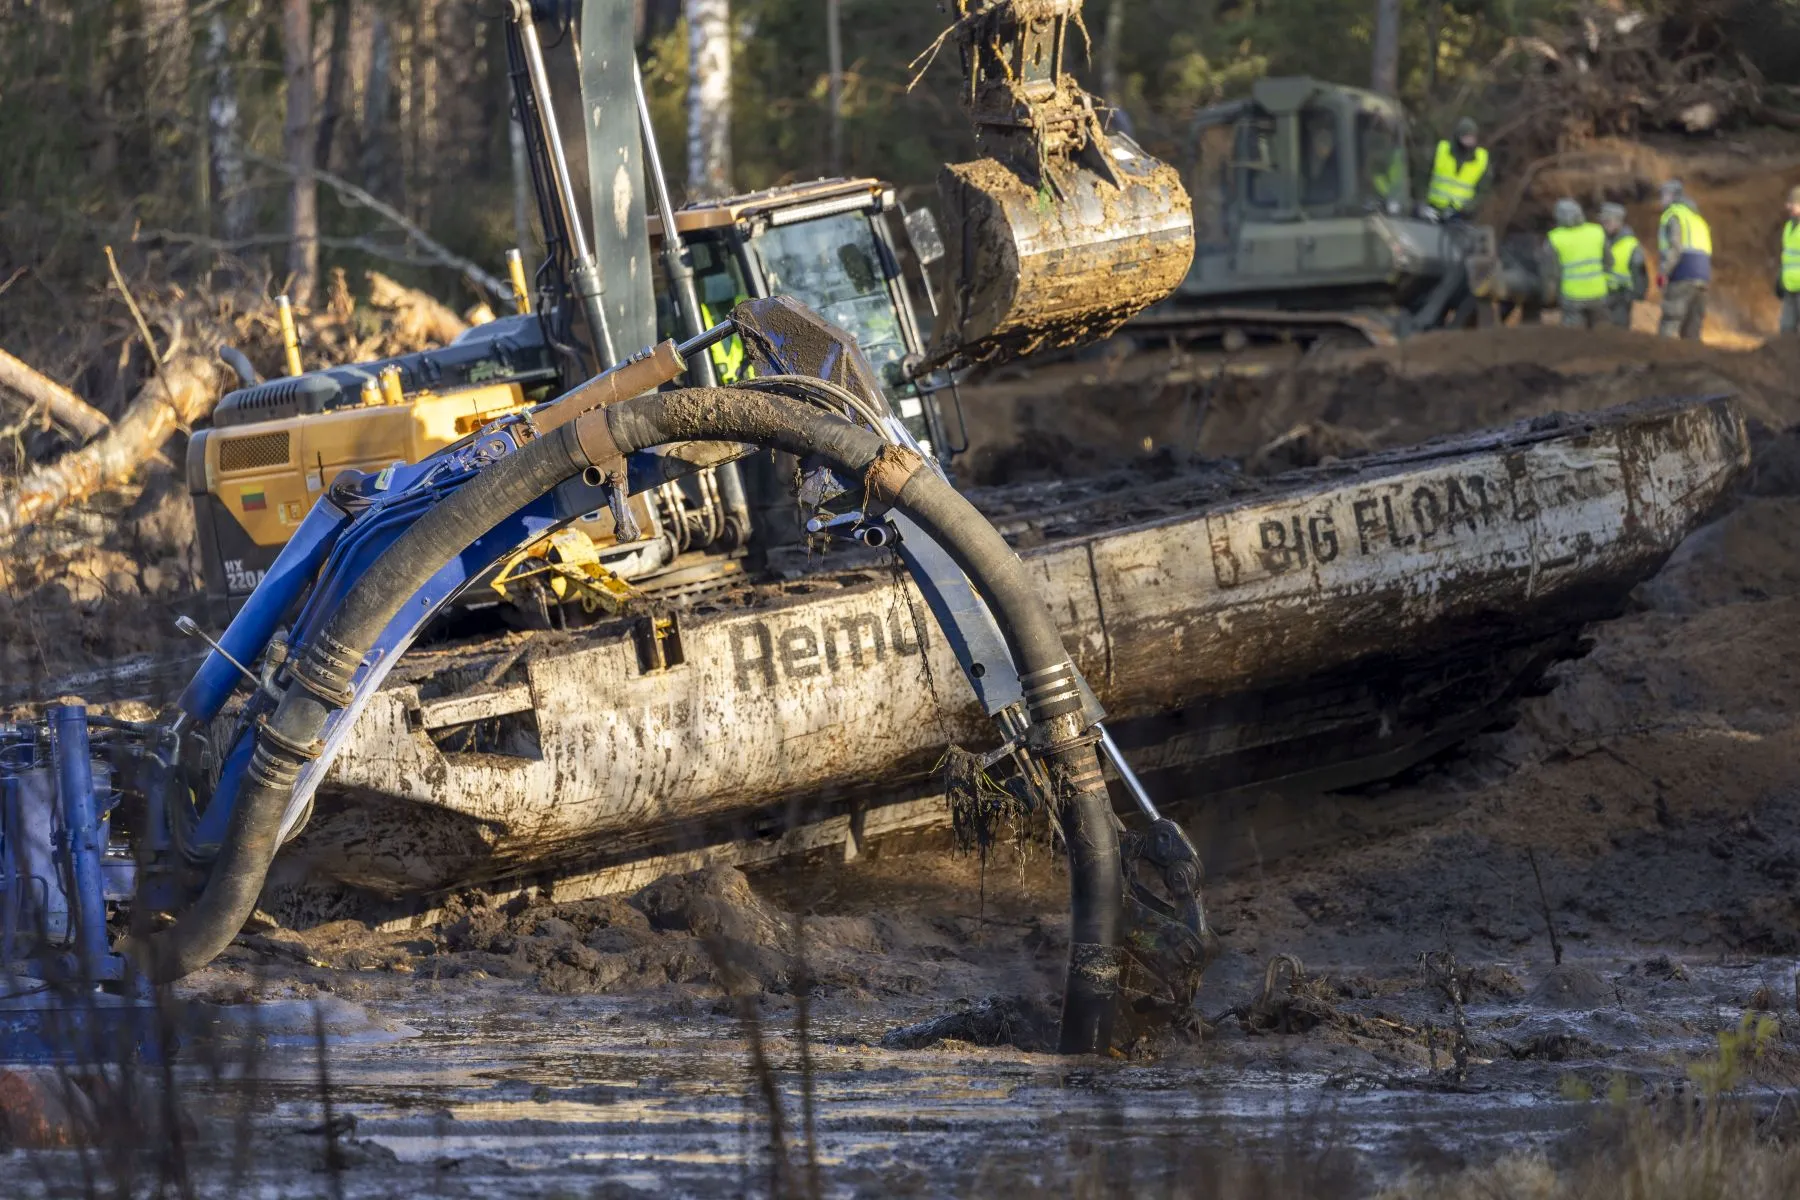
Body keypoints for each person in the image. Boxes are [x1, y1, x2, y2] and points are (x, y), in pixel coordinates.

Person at [1656, 179, 1712, 340]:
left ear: (1672, 196)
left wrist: (1663, 272)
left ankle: (1663, 361)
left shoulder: (1673, 216)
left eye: (1663, 195)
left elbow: (1675, 248)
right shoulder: (1697, 219)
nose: (1661, 199)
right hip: (1702, 278)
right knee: (1692, 330)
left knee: (1670, 324)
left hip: (1681, 274)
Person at [1543, 198, 1609, 329]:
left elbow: (1552, 274)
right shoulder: (1597, 231)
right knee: (1601, 335)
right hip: (1599, 294)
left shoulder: (1555, 238)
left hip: (1572, 297)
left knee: (1574, 339)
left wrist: (1549, 299)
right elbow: (1608, 262)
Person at [1427, 117, 1489, 219]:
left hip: (1461, 214)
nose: (1469, 140)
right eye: (1466, 136)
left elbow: (1483, 190)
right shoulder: (1441, 150)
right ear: (1458, 135)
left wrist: (1468, 208)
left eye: (1472, 137)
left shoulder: (1481, 159)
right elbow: (1423, 176)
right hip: (1433, 207)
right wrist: (1422, 203)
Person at [1599, 202, 1648, 330]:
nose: (1605, 225)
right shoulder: (1598, 240)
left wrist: (1634, 295)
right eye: (1603, 221)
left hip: (1621, 299)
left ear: (1619, 221)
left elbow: (1640, 274)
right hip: (1599, 297)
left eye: (1608, 221)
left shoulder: (1632, 245)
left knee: (1618, 334)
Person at [1779, 186, 1800, 334]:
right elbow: (1787, 256)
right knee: (1786, 330)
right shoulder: (1788, 226)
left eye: (1793, 203)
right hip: (1789, 286)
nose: (1789, 207)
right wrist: (1780, 278)